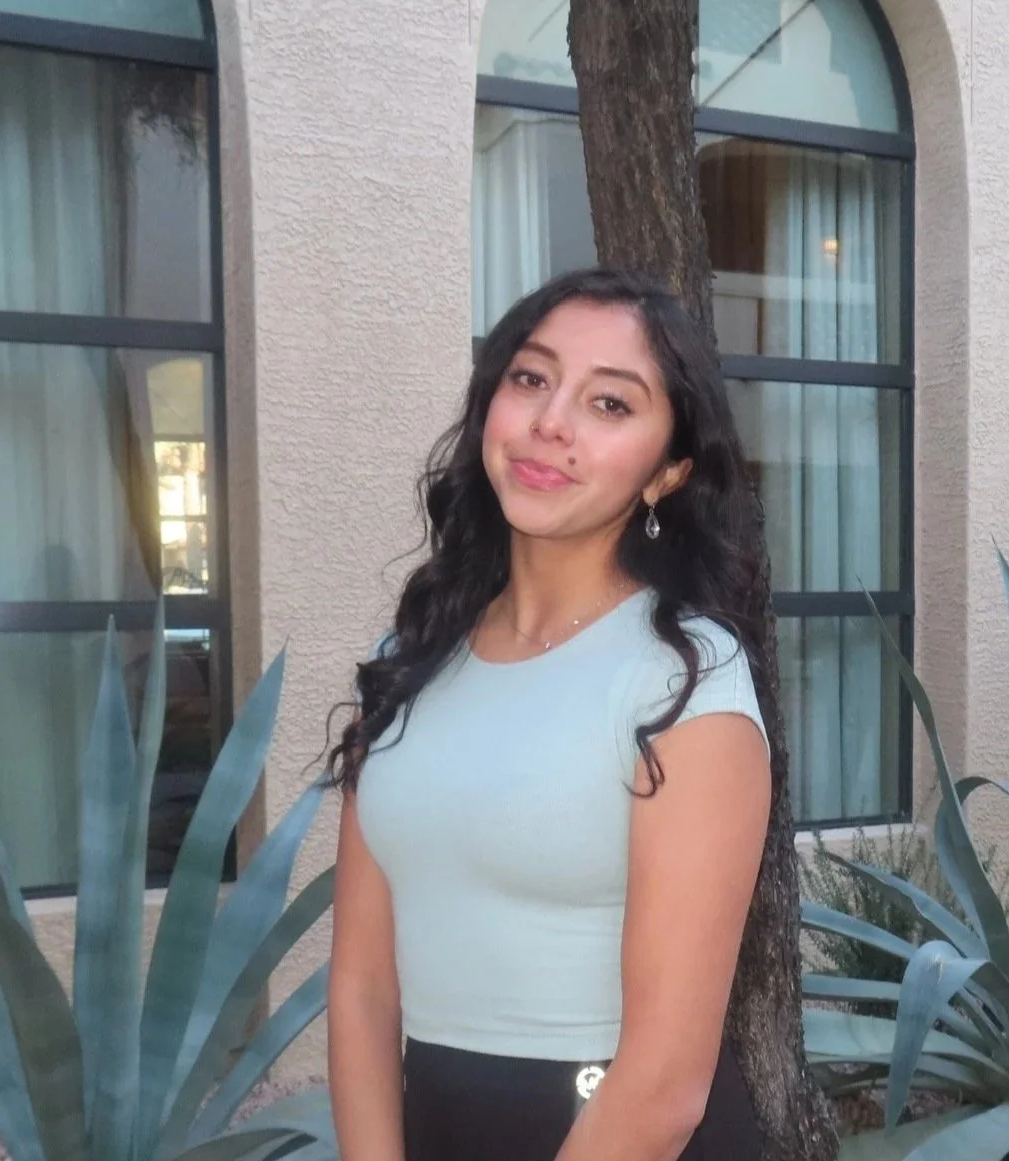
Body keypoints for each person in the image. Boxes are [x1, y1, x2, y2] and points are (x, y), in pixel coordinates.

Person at [324, 268, 774, 1161]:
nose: (550, 423)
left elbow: (664, 1084)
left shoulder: (685, 678)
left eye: (610, 404)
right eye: (530, 378)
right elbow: (363, 985)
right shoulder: (412, 657)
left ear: (668, 472)